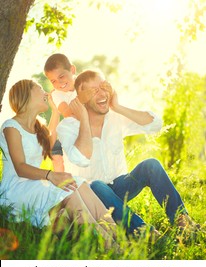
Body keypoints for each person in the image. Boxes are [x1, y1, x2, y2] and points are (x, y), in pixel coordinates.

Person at [56, 69, 198, 233]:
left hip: (119, 187)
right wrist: (84, 119)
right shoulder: (67, 127)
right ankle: (145, 233)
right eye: (94, 90)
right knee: (96, 185)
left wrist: (117, 106)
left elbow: (155, 124)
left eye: (104, 87)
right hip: (91, 196)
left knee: (151, 165)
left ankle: (183, 223)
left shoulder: (115, 118)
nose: (102, 94)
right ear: (80, 99)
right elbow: (81, 158)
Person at [0, 79, 116, 246]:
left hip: (34, 185)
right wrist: (50, 176)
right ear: (26, 95)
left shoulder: (37, 127)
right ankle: (108, 246)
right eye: (39, 89)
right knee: (69, 190)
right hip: (16, 189)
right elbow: (20, 167)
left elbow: (49, 140)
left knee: (78, 183)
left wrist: (55, 112)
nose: (46, 93)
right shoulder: (11, 127)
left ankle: (118, 237)